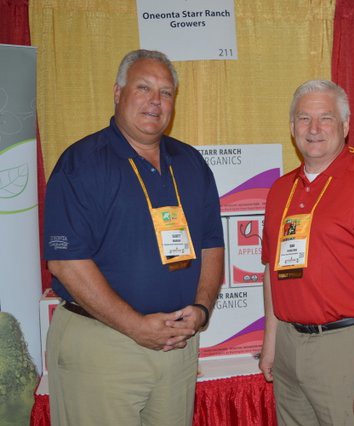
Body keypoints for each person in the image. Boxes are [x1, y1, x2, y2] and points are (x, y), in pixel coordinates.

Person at [43, 49, 225, 426]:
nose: (155, 101)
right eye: (143, 88)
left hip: (177, 348)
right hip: (103, 346)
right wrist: (135, 327)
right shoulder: (81, 163)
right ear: (118, 92)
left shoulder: (191, 164)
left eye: (166, 92)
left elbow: (211, 244)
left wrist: (201, 309)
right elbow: (65, 262)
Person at [259, 79, 354, 425]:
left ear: (345, 126)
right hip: (288, 347)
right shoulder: (280, 191)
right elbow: (272, 270)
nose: (314, 128)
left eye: (325, 118)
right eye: (304, 118)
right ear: (292, 127)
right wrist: (271, 341)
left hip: (348, 347)